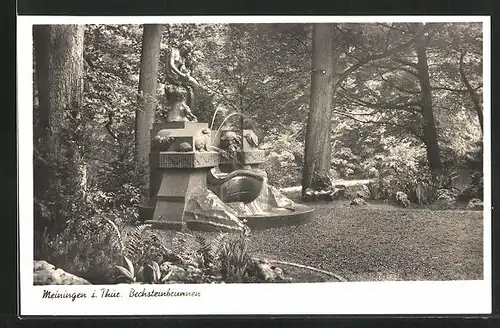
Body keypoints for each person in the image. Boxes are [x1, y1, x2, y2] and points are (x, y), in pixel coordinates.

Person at [166, 40, 200, 110]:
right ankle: (191, 109)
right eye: (186, 47)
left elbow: (183, 68)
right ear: (182, 45)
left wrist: (187, 73)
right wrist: (181, 74)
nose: (186, 49)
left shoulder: (182, 58)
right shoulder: (174, 52)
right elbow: (171, 65)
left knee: (192, 89)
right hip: (172, 75)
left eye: (188, 49)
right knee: (194, 84)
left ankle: (189, 110)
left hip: (179, 76)